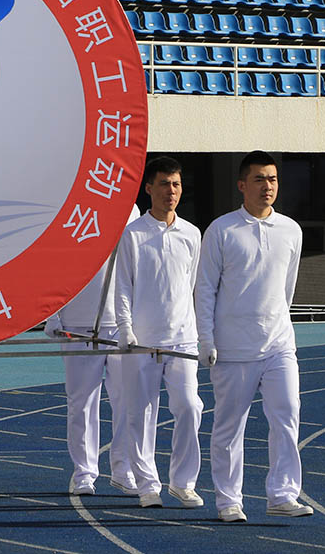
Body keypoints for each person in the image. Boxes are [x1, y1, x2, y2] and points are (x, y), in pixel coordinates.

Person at [196, 150, 312, 523]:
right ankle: (229, 500)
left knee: (288, 414)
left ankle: (282, 494)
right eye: (259, 179)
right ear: (242, 185)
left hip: (279, 345)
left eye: (273, 179)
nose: (267, 186)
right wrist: (206, 339)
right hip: (233, 349)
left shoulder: (291, 230)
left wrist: (278, 323)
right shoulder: (222, 230)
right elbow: (205, 288)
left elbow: (286, 289)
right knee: (229, 426)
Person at [113, 156, 204, 509]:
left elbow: (192, 285)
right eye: (164, 184)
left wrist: (200, 332)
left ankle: (183, 482)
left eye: (176, 184)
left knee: (190, 407)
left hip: (182, 339)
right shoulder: (133, 235)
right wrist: (126, 328)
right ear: (149, 188)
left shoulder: (192, 234)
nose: (171, 191)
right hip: (142, 341)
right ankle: (147, 485)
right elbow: (123, 286)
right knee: (141, 414)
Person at [45, 204, 141, 497]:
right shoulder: (68, 204)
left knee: (127, 400)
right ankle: (84, 472)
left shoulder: (131, 209)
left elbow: (136, 264)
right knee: (81, 402)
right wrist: (52, 313)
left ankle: (123, 468)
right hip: (77, 321)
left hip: (121, 321)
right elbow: (52, 259)